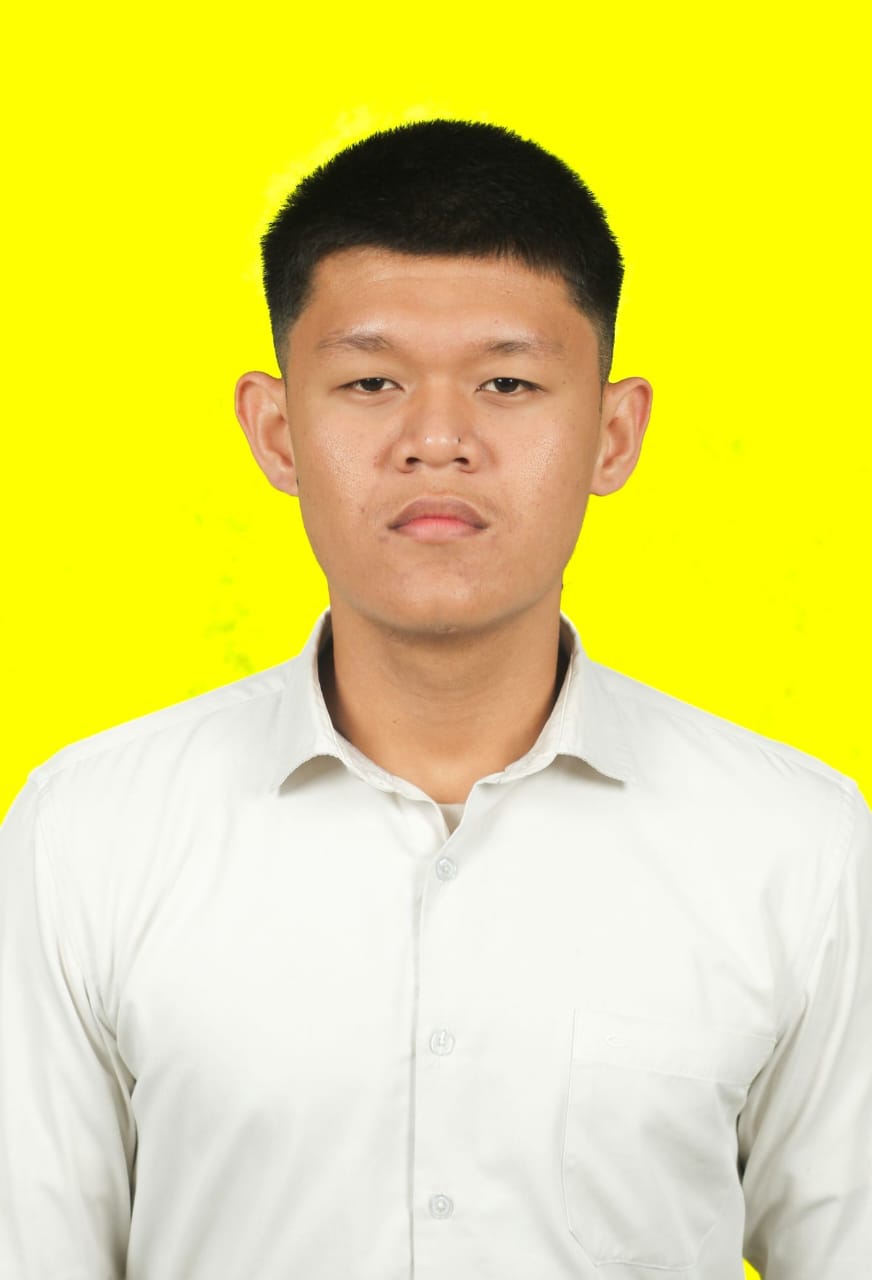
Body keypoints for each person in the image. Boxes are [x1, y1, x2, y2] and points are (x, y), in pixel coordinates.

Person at [0, 119, 869, 1280]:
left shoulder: (793, 843)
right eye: (371, 382)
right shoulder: (87, 834)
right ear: (276, 431)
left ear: (612, 433)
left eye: (507, 382)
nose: (438, 440)